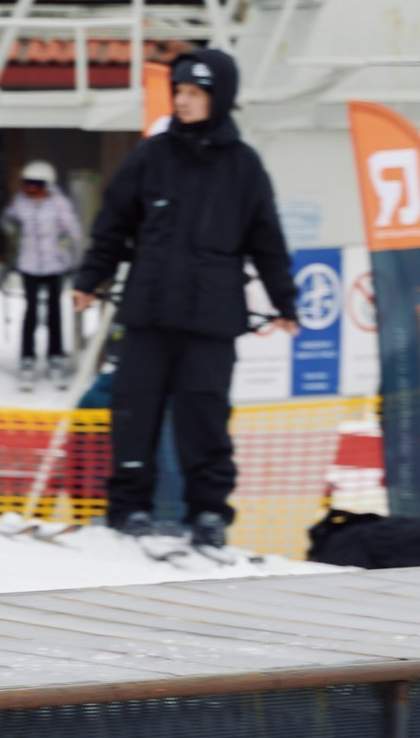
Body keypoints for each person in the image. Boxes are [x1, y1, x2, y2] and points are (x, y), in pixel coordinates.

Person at [71, 48, 295, 548]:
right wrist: (90, 279)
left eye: (195, 93)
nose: (183, 101)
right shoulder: (150, 157)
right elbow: (112, 225)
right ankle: (129, 507)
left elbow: (267, 241)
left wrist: (286, 302)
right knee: (134, 415)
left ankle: (208, 512)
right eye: (179, 91)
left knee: (205, 419)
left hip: (211, 319)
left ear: (220, 98)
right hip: (149, 314)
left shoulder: (243, 166)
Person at [0, 159, 84, 387]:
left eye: (37, 185)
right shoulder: (21, 202)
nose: (31, 190)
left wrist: (75, 256)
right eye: (27, 185)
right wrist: (8, 227)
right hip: (30, 265)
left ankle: (55, 357)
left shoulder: (59, 204)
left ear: (48, 185)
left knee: (54, 311)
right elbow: (8, 219)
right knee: (31, 312)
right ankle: (27, 358)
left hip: (54, 265)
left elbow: (74, 230)